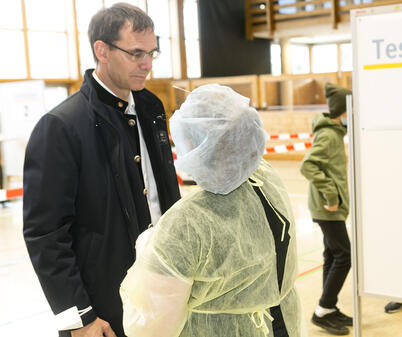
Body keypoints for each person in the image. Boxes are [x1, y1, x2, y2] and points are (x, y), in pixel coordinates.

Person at [22, 3, 180, 337]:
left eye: (152, 52)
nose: (147, 64)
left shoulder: (152, 108)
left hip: (161, 294)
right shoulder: (61, 126)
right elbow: (45, 234)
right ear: (102, 50)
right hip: (102, 310)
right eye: (136, 53)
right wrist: (79, 317)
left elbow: (166, 197)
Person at [119, 84, 306, 337]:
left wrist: (148, 248)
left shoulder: (186, 222)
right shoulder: (267, 179)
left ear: (195, 146)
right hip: (282, 324)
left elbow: (151, 328)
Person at [300, 83, 353, 335]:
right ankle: (322, 310)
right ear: (343, 112)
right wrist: (332, 195)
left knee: (332, 255)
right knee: (344, 256)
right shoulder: (329, 135)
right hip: (327, 207)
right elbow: (309, 166)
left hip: (330, 207)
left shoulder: (334, 133)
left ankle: (329, 308)